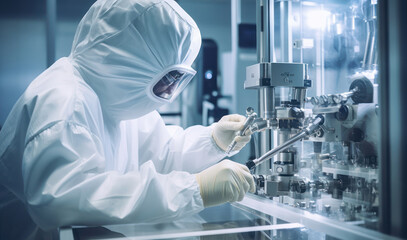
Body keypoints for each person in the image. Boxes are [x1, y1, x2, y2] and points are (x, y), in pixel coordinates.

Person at [0, 0, 255, 239]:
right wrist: (195, 189)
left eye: (177, 79)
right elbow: (67, 197)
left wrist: (212, 140)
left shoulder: (117, 99)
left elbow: (162, 154)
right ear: (127, 59)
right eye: (168, 77)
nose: (170, 91)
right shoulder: (65, 100)